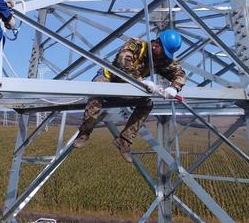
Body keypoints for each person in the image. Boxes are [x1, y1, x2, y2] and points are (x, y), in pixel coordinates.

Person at [73, 29, 186, 163]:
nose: (164, 57)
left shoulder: (160, 59)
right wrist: (141, 82)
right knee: (97, 92)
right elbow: (124, 63)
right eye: (163, 52)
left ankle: (124, 141)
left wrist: (174, 88)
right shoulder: (136, 45)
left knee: (147, 104)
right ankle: (84, 132)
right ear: (157, 44)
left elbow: (179, 73)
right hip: (110, 78)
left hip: (129, 89)